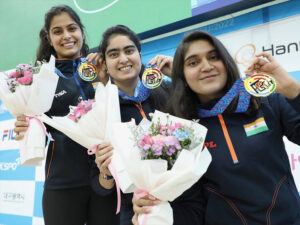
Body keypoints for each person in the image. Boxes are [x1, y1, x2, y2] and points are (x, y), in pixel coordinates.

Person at [133, 30, 300, 225]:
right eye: (193, 63)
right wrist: (152, 211)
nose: (206, 66)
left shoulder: (263, 101)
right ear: (182, 75)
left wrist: (294, 91)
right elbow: (189, 209)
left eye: (214, 57)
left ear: (226, 63)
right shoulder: (177, 129)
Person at [13, 5, 118, 225]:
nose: (67, 36)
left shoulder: (102, 67)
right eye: (58, 31)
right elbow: (35, 130)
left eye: (72, 28)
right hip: (63, 182)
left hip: (107, 178)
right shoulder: (39, 79)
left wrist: (106, 79)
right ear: (49, 39)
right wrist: (26, 126)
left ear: (81, 32)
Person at [92, 25, 205, 225]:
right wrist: (106, 173)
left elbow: (205, 112)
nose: (123, 59)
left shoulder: (169, 90)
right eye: (113, 54)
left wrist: (179, 76)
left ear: (139, 54)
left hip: (189, 205)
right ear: (106, 63)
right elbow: (99, 188)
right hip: (139, 210)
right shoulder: (102, 111)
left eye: (129, 50)